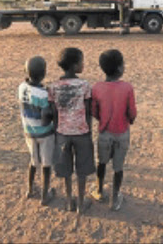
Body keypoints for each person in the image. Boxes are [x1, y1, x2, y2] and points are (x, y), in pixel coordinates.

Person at [48, 47, 95, 214]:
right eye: (82, 61)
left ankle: (69, 201)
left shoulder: (53, 87)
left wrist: (57, 132)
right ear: (75, 66)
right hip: (82, 133)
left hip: (62, 134)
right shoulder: (85, 85)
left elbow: (54, 113)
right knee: (82, 170)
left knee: (66, 169)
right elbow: (88, 111)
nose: (83, 64)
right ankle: (81, 203)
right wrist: (88, 131)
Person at [90, 49, 137, 211]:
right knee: (118, 168)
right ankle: (115, 198)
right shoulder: (127, 88)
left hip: (104, 132)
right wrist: (129, 120)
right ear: (119, 68)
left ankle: (99, 190)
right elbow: (132, 112)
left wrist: (102, 120)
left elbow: (94, 111)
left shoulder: (96, 87)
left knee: (101, 162)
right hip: (122, 132)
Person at [18, 56, 56, 205]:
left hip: (29, 131)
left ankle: (30, 189)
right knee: (46, 164)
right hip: (44, 133)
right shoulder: (43, 94)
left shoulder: (21, 87)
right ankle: (45, 195)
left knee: (33, 161)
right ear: (44, 73)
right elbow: (46, 118)